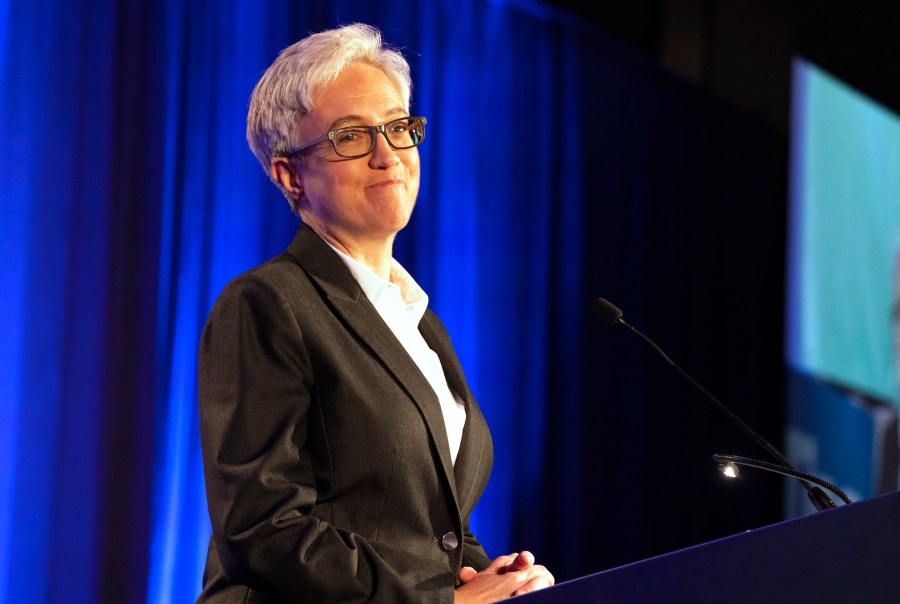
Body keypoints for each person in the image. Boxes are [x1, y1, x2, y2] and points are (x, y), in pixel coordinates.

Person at [196, 22, 554, 603]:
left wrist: (499, 579)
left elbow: (432, 532)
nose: (388, 154)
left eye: (397, 127)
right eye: (351, 137)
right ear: (291, 175)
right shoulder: (267, 304)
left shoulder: (418, 322)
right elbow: (262, 530)